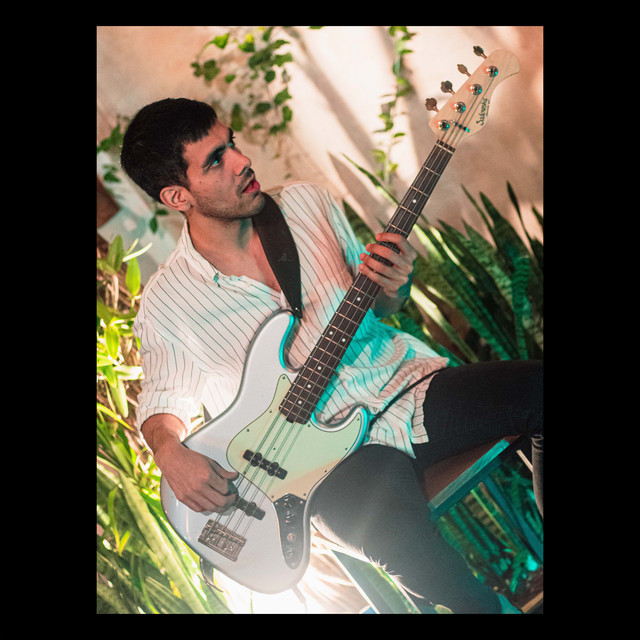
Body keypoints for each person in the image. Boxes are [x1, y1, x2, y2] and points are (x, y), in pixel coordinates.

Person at [120, 97, 542, 614]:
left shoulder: (306, 204)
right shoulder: (167, 303)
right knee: (398, 538)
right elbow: (163, 401)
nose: (241, 161)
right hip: (320, 466)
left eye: (231, 143)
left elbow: (378, 305)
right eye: (215, 160)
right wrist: (169, 453)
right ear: (176, 195)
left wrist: (396, 286)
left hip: (402, 388)